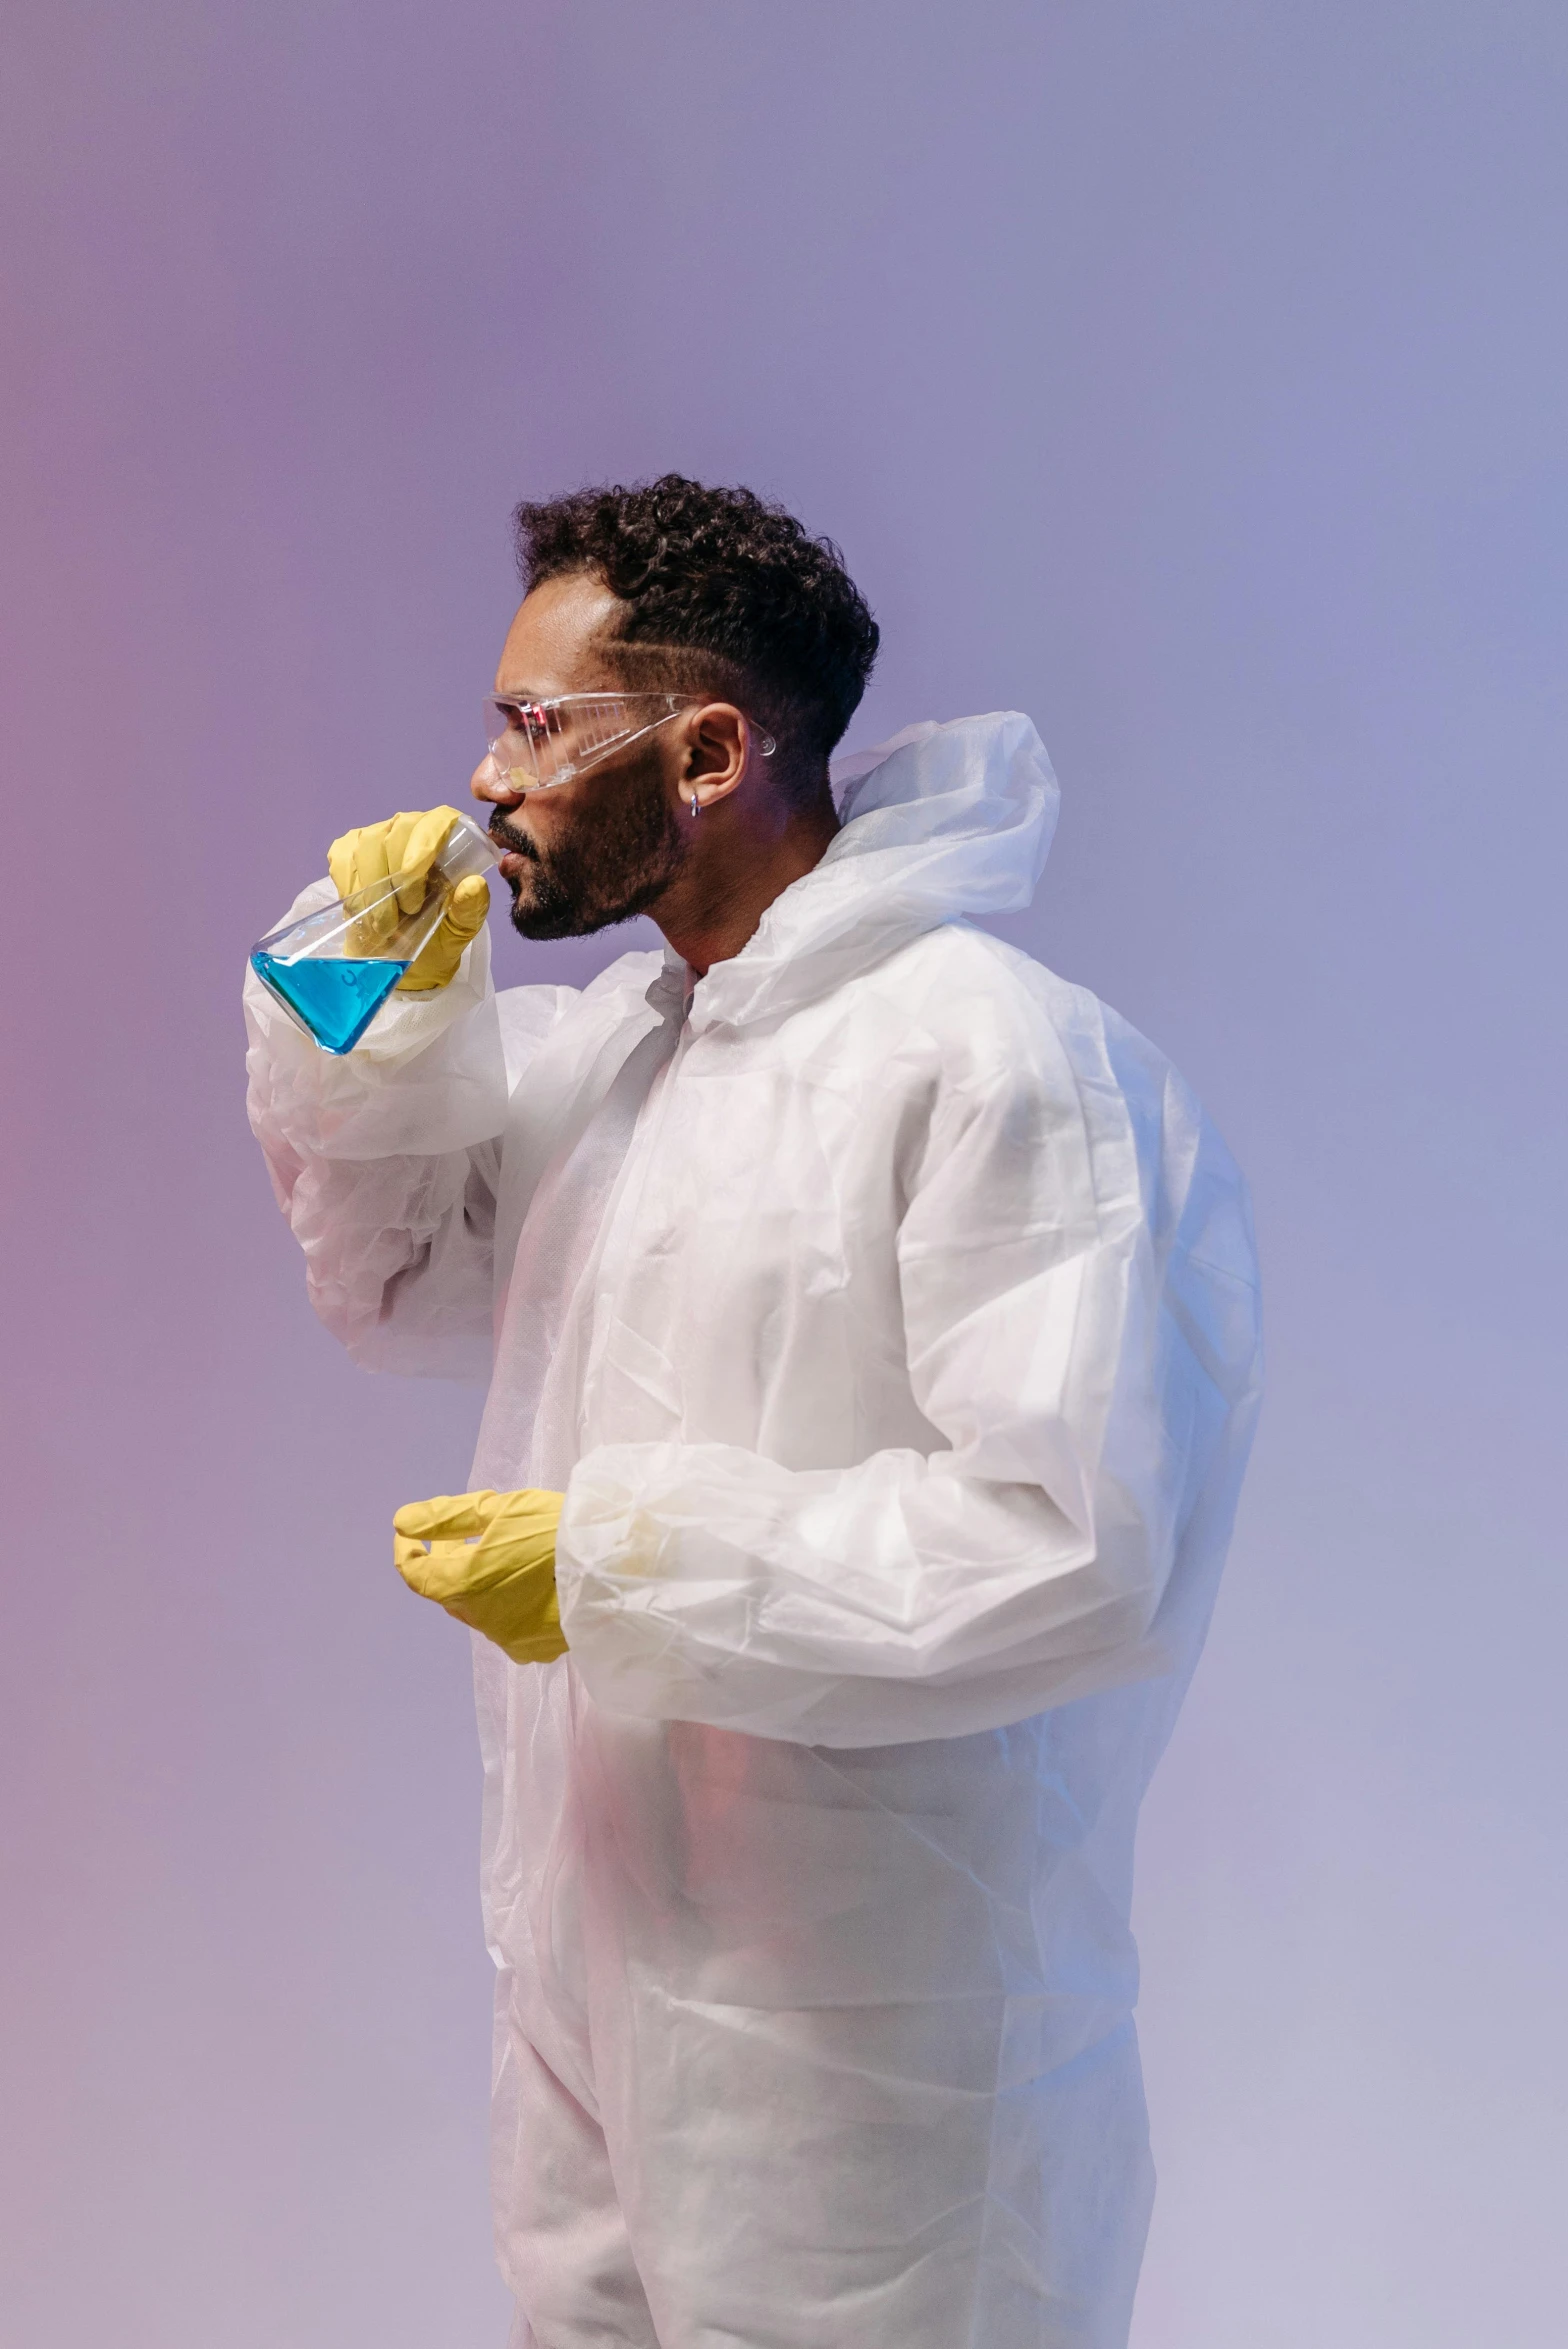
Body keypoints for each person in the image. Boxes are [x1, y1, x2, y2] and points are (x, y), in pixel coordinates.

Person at [245, 475, 1262, 2349]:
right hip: (600, 1992)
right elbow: (392, 1279)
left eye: (538, 727)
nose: (489, 782)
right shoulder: (642, 1057)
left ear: (708, 753)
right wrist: (350, 989)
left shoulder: (993, 1063)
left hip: (879, 2062)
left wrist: (628, 1565)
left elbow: (1078, 1547)